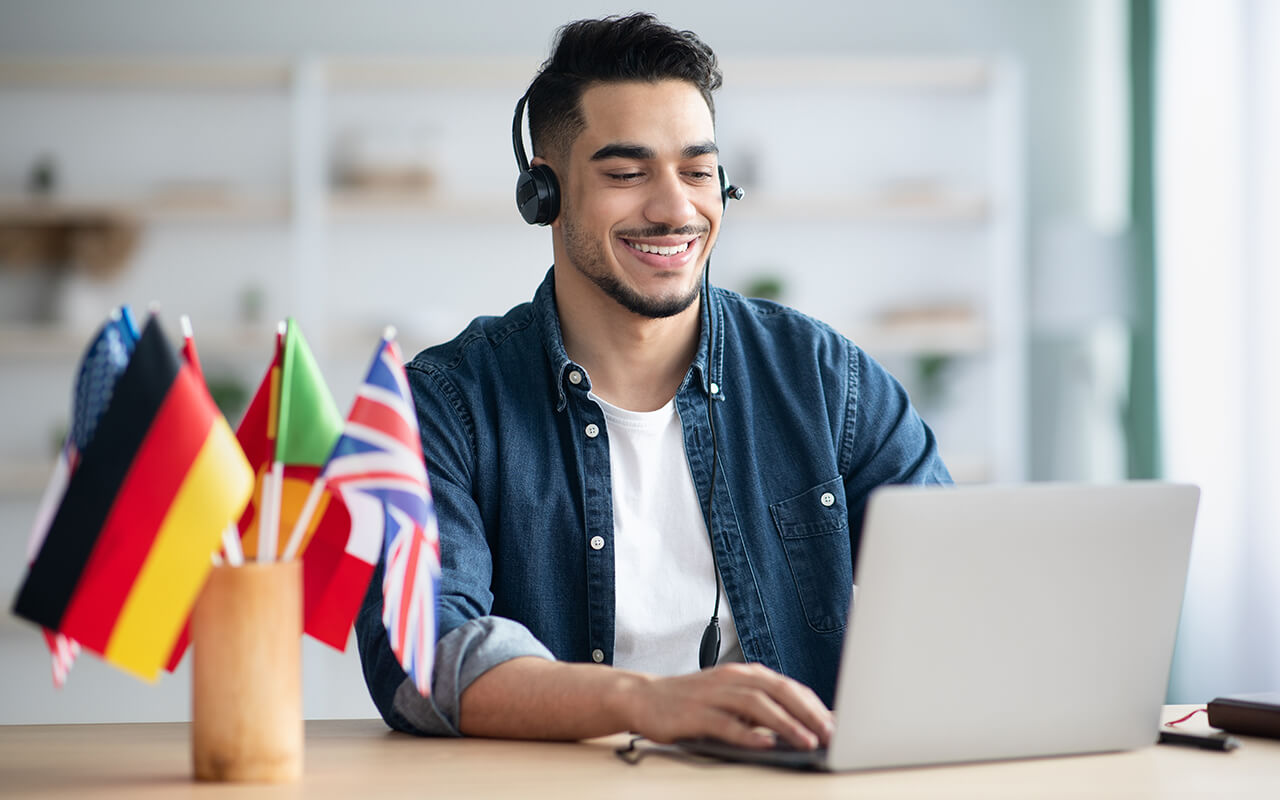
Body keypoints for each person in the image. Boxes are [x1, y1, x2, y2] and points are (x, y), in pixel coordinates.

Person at [356, 13, 950, 751]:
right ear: (544, 193)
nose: (676, 209)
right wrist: (647, 703)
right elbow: (423, 661)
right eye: (627, 173)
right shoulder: (444, 405)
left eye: (698, 171)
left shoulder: (828, 380)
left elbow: (955, 601)